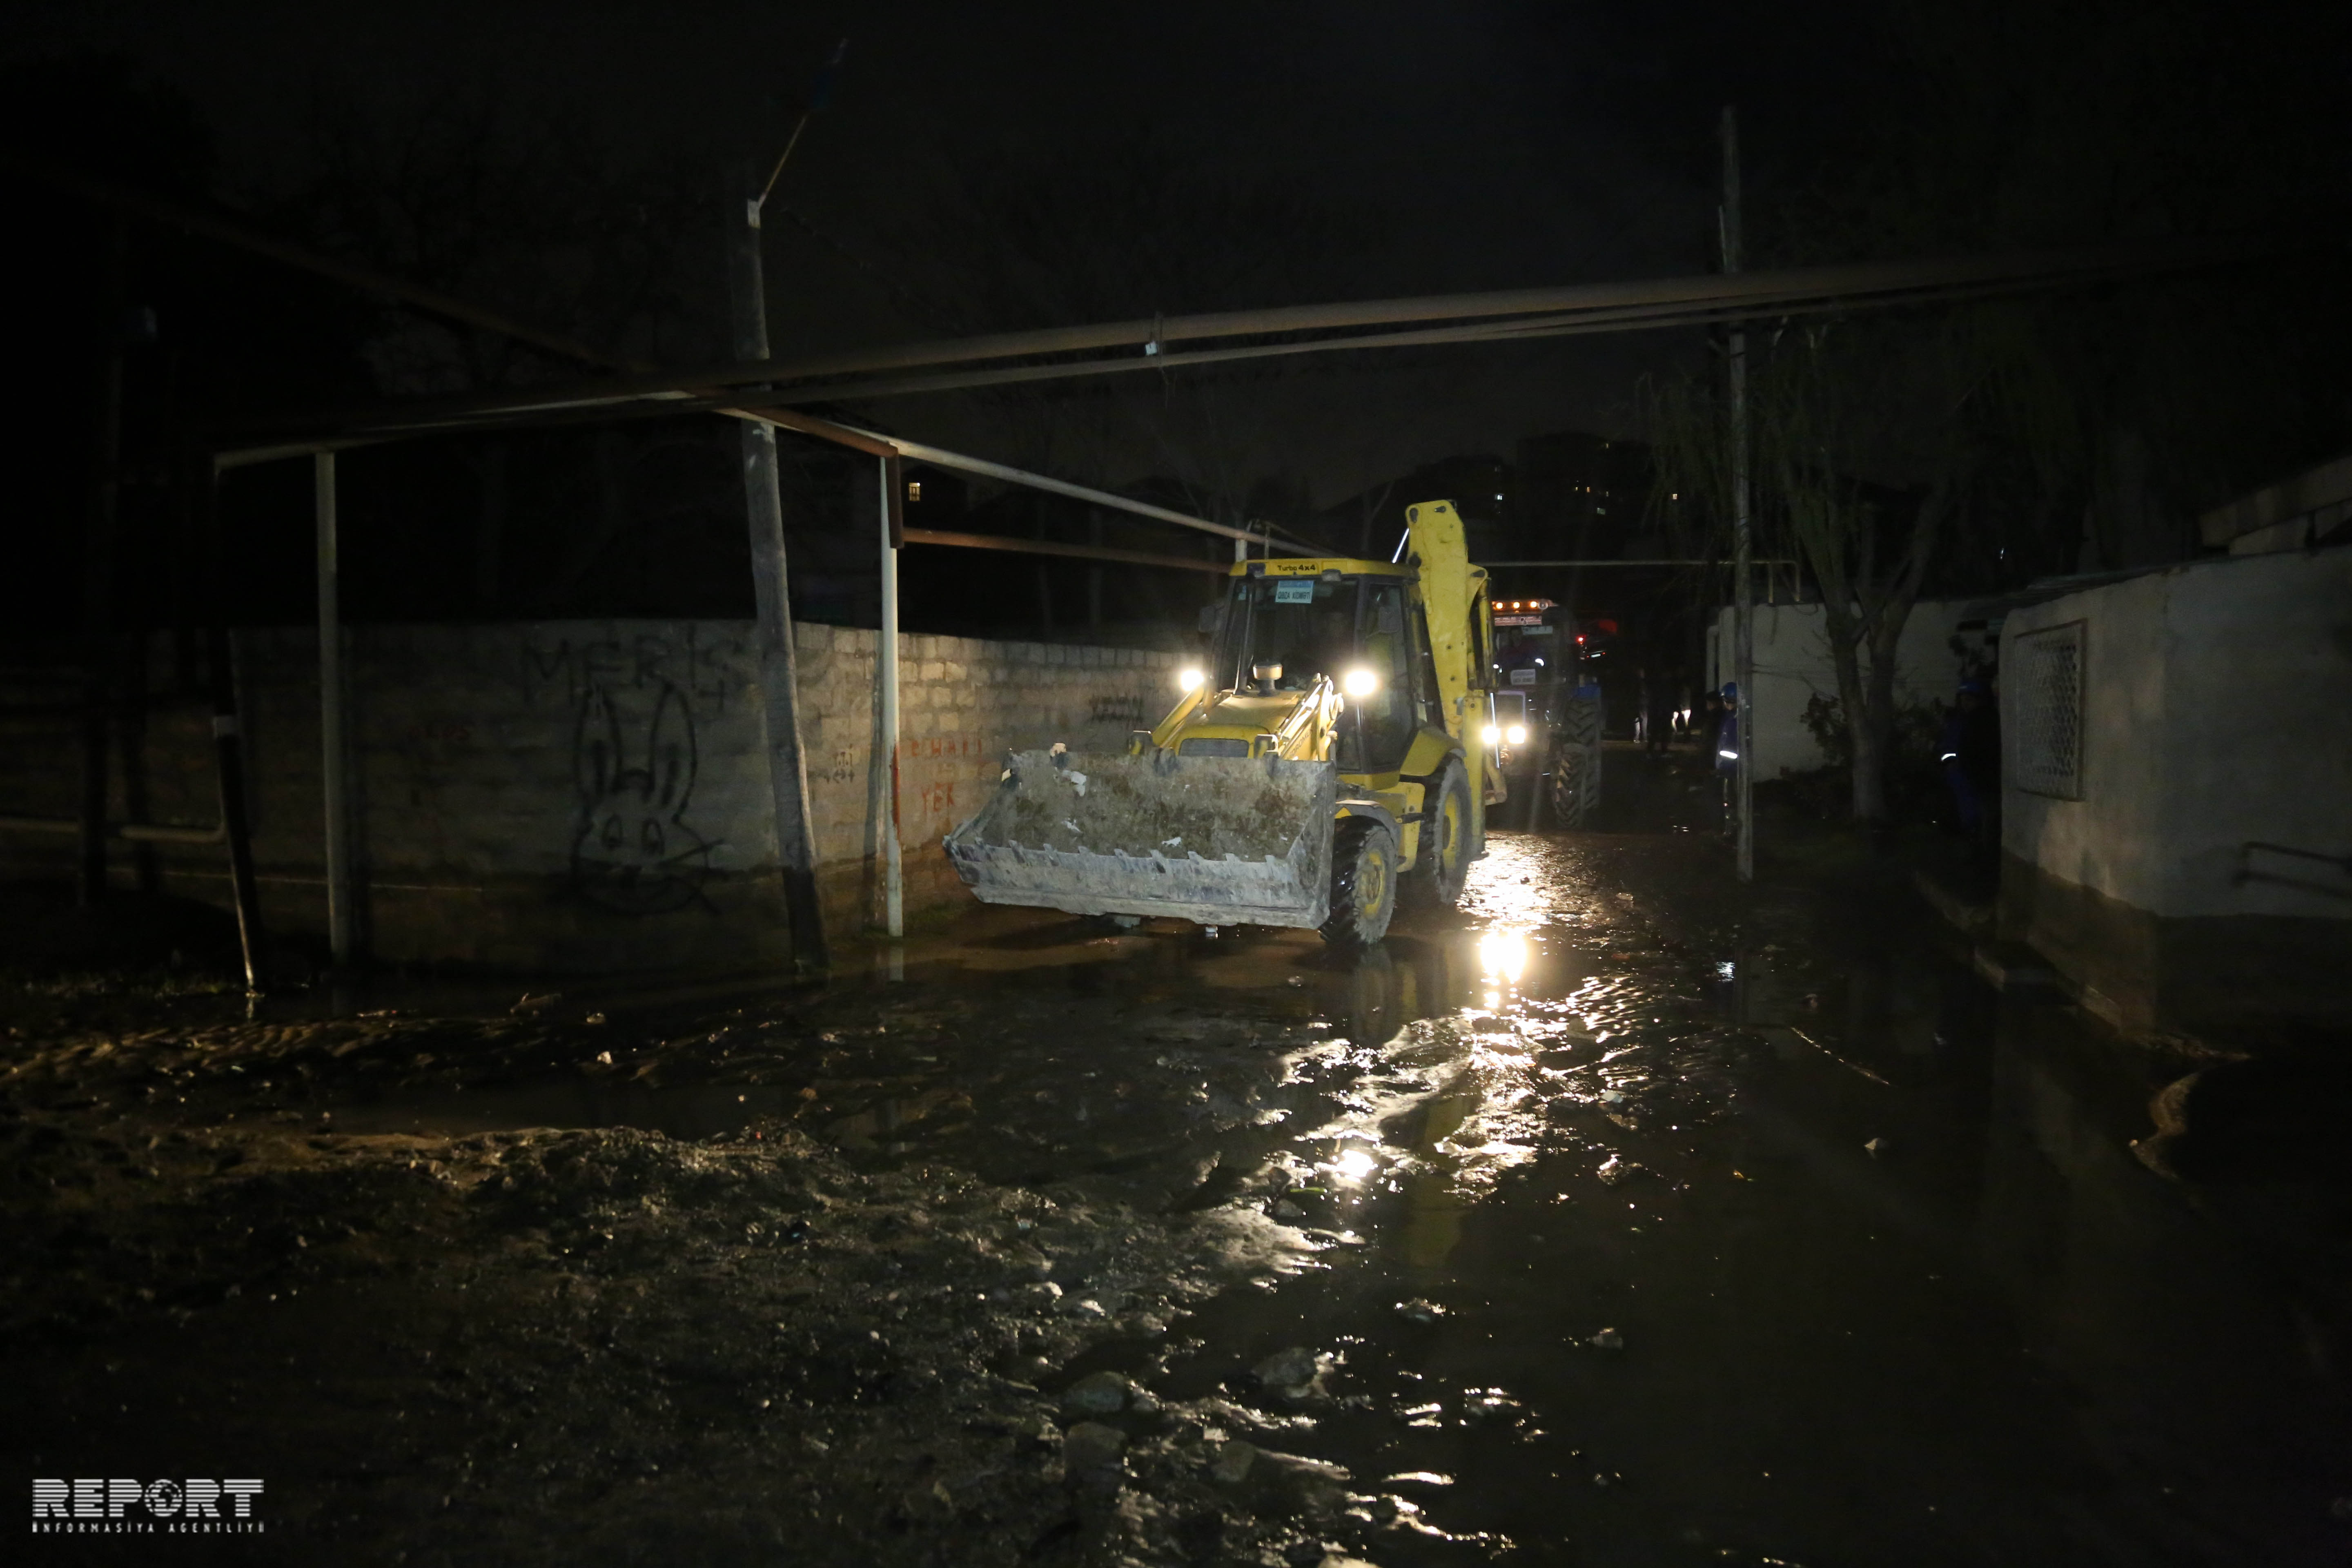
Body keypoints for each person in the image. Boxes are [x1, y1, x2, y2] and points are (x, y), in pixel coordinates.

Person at [1939, 678, 2000, 852]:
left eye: (1970, 700)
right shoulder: (1959, 722)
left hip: (1980, 777)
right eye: (1963, 700)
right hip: (1961, 776)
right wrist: (1951, 763)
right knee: (1969, 814)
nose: (1966, 704)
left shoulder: (1986, 720)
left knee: (1983, 817)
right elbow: (1948, 747)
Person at [1714, 681, 1740, 837]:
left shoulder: (1735, 720)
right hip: (1728, 768)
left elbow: (1730, 749)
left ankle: (1732, 831)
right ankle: (1730, 828)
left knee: (1730, 800)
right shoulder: (1729, 717)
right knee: (1729, 801)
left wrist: (1724, 766)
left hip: (1732, 769)